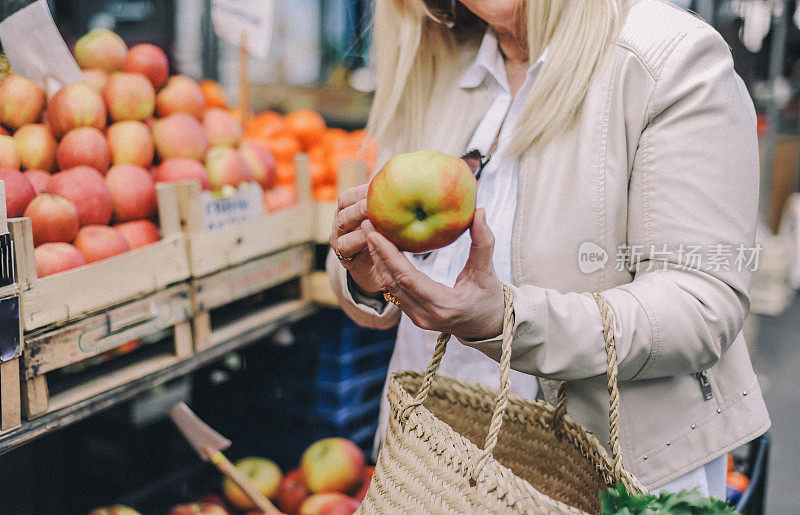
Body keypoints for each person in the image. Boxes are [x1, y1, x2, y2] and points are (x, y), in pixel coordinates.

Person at [327, 0, 770, 496]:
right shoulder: (438, 60)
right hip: (429, 468)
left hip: (600, 478)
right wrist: (367, 277)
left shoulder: (663, 59)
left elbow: (700, 305)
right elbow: (385, 242)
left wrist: (509, 321)